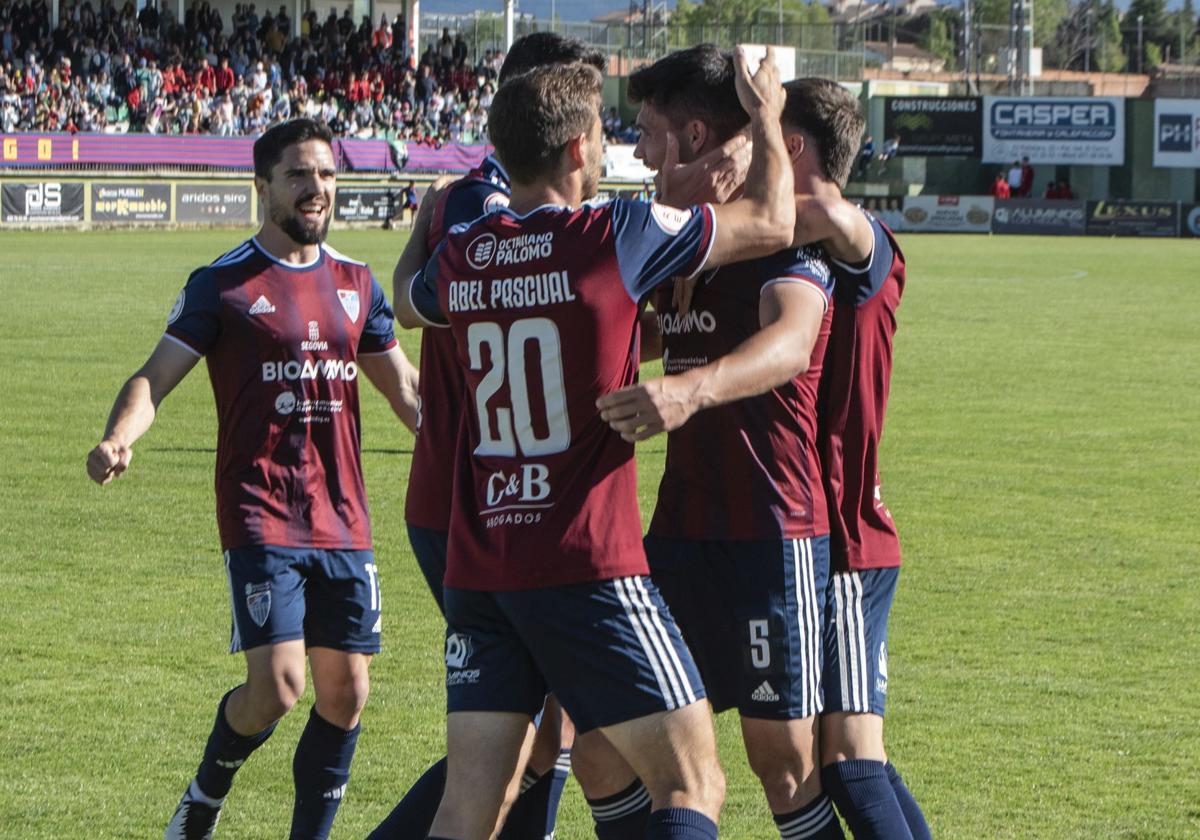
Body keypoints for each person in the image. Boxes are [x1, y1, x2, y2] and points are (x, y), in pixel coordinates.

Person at [393, 50, 797, 840]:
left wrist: (424, 225)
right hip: (585, 563)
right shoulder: (615, 233)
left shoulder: (464, 253)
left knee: (468, 807)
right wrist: (768, 120)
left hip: (480, 565)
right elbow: (774, 221)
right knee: (692, 782)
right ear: (580, 149)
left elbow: (410, 306)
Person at [86, 118, 420, 840]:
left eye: (327, 175)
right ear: (262, 185)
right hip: (262, 511)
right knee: (278, 687)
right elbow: (155, 376)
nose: (316, 189)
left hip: (345, 517)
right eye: (299, 175)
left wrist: (474, 444)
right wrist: (119, 437)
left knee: (347, 692)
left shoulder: (357, 284)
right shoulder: (223, 284)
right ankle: (204, 797)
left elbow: (407, 394)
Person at [372, 33, 607, 840]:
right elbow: (421, 304)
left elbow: (407, 299)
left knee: (544, 720)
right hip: (472, 498)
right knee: (523, 729)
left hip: (478, 496)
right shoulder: (489, 207)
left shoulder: (458, 198)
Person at [603, 45, 841, 839]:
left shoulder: (788, 236)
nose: (637, 155)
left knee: (781, 764)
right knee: (620, 733)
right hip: (677, 535)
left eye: (648, 135)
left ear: (695, 137)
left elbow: (793, 344)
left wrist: (689, 387)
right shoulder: (677, 248)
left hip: (771, 534)